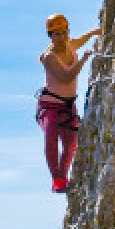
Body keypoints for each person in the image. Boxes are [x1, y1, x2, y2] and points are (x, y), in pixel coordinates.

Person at [38, 14, 99, 192]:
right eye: (57, 34)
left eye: (64, 32)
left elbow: (80, 40)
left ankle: (63, 177)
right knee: (51, 139)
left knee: (71, 144)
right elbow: (66, 77)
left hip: (67, 106)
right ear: (50, 36)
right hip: (49, 106)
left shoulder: (70, 44)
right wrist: (83, 59)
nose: (62, 37)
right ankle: (57, 179)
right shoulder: (50, 57)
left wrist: (94, 32)